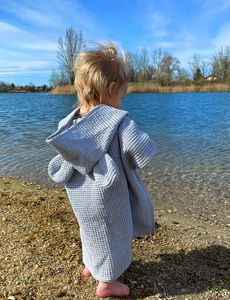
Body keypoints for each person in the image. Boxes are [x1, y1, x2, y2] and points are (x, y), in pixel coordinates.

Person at [46, 41, 156, 298]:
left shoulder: (69, 122)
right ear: (111, 89)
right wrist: (148, 142)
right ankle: (107, 282)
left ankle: (90, 265)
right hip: (108, 194)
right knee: (113, 234)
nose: (121, 102)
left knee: (89, 229)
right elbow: (141, 150)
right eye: (121, 97)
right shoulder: (118, 122)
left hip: (79, 195)